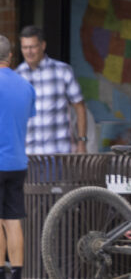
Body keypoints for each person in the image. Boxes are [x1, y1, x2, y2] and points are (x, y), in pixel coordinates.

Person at [16, 26, 87, 154]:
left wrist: (81, 141)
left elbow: (80, 106)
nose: (29, 52)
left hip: (59, 154)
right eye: (25, 47)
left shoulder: (62, 71)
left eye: (33, 47)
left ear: (43, 45)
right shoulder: (17, 76)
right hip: (28, 155)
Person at [0, 35, 36, 279]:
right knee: (12, 220)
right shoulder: (26, 86)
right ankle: (16, 275)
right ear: (10, 56)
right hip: (17, 163)